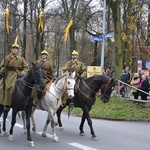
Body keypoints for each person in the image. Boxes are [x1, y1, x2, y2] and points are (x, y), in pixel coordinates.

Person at [0, 36, 29, 123]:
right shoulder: (7, 58)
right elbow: (1, 67)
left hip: (18, 75)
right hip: (9, 75)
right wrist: (3, 70)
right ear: (12, 49)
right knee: (9, 87)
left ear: (18, 50)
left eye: (16, 49)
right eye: (13, 48)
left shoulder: (21, 59)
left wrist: (22, 73)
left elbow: (26, 67)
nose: (15, 50)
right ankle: (7, 104)